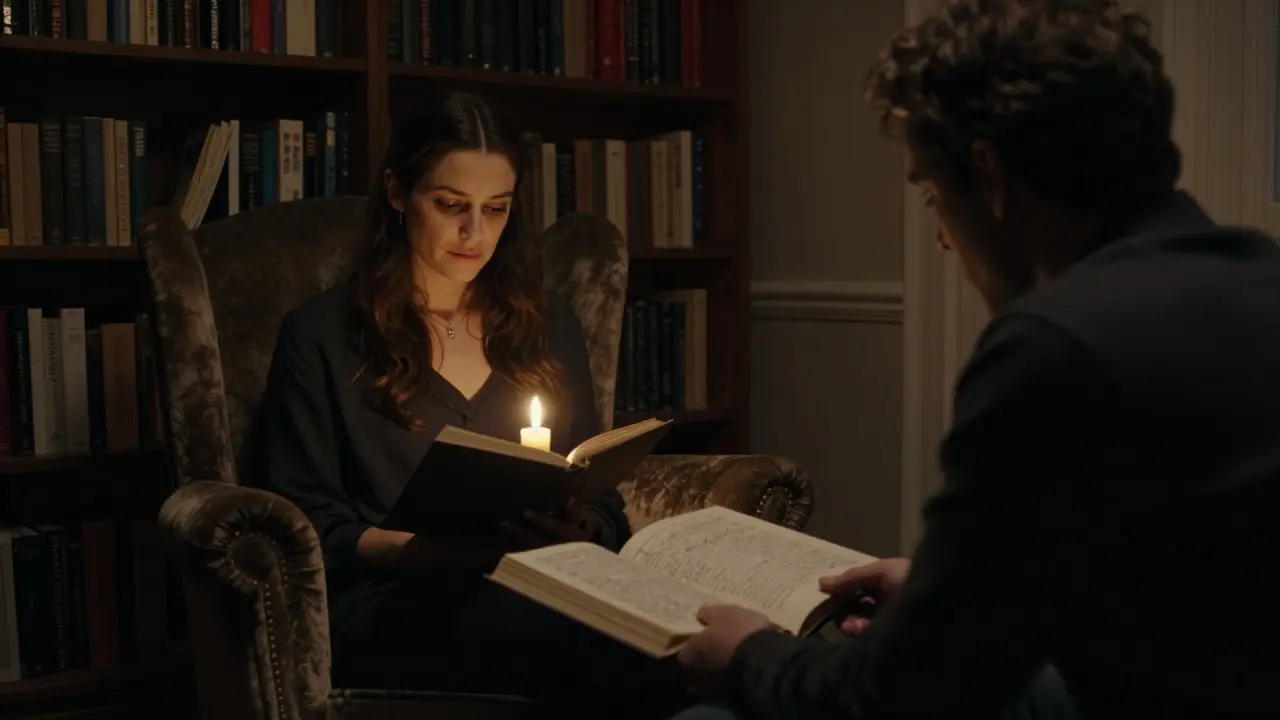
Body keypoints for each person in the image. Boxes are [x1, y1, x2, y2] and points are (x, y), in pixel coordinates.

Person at [673, 0, 1280, 717]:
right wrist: (958, 590)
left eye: (934, 198)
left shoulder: (1054, 344)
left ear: (990, 178)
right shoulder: (1258, 279)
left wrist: (751, 653)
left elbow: (901, 697)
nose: (945, 241)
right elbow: (1182, 587)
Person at [241, 92, 688, 718]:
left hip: (540, 580)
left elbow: (598, 494)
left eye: (495, 209)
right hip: (393, 600)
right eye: (451, 205)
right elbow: (306, 523)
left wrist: (584, 528)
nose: (474, 233)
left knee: (680, 631)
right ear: (398, 193)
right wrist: (424, 553)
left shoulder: (548, 323)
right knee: (589, 642)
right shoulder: (321, 336)